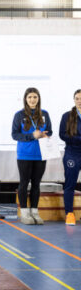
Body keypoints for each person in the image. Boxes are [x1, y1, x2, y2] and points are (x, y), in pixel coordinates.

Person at [11, 87, 52, 225]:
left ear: (38, 98)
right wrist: (32, 136)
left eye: (35, 97)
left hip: (41, 155)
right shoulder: (19, 115)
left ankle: (34, 211)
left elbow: (50, 131)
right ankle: (24, 213)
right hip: (24, 155)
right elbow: (15, 135)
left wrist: (45, 134)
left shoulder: (45, 114)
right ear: (25, 99)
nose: (32, 100)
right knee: (24, 183)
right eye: (29, 97)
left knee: (36, 184)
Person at [59, 89, 81, 226]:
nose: (79, 101)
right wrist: (78, 139)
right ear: (74, 100)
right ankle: (69, 214)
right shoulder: (67, 116)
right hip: (72, 153)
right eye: (77, 98)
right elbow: (62, 134)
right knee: (70, 185)